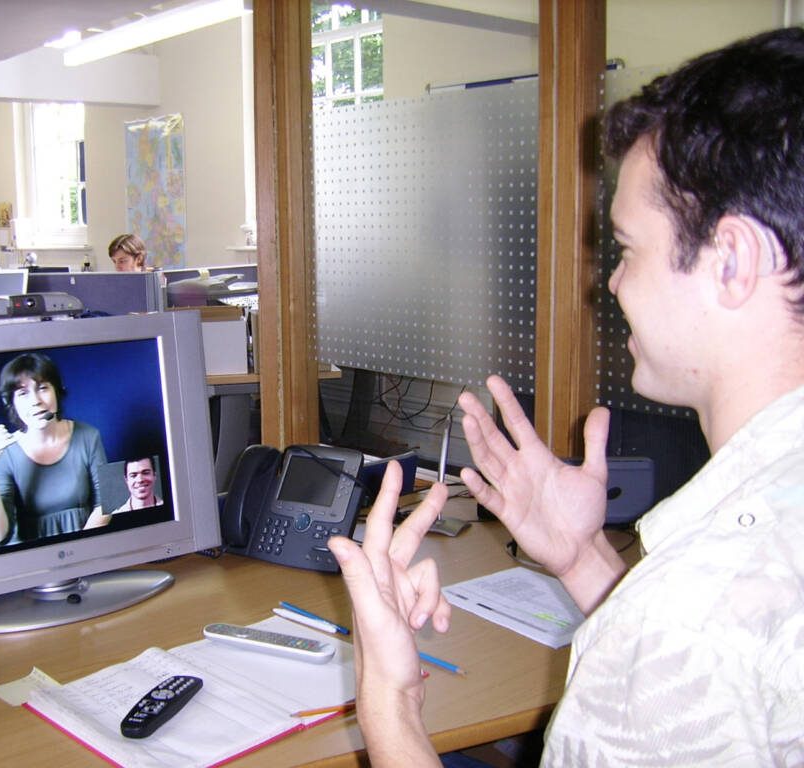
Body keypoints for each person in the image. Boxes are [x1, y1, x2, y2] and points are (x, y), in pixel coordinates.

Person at [329, 27, 804, 766]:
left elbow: (697, 638)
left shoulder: (690, 614)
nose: (609, 283)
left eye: (627, 250)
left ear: (733, 261)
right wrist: (583, 559)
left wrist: (388, 702)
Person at [0, 352, 112, 546]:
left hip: (87, 553)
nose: (35, 400)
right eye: (23, 393)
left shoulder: (89, 435)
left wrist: (80, 550)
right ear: (11, 403)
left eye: (43, 388)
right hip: (31, 566)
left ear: (57, 391)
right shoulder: (5, 452)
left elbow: (107, 503)